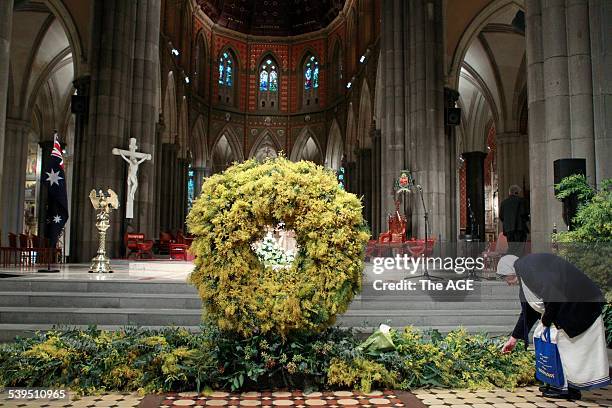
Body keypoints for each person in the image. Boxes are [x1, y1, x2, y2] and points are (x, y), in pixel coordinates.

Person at [497, 254, 609, 400]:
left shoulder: (528, 269)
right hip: (570, 308)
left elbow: (552, 294)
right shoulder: (525, 273)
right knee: (554, 342)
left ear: (509, 271)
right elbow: (528, 312)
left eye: (504, 278)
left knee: (567, 348)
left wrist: (546, 321)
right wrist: (514, 339)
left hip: (580, 308)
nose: (506, 282)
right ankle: (558, 383)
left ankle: (567, 388)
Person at [499, 185, 529, 256]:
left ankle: (511, 264)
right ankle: (518, 265)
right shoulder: (522, 201)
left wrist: (508, 222)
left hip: (509, 230)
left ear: (509, 193)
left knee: (511, 248)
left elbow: (501, 216)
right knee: (520, 250)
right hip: (520, 229)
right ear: (516, 192)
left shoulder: (504, 203)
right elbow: (524, 214)